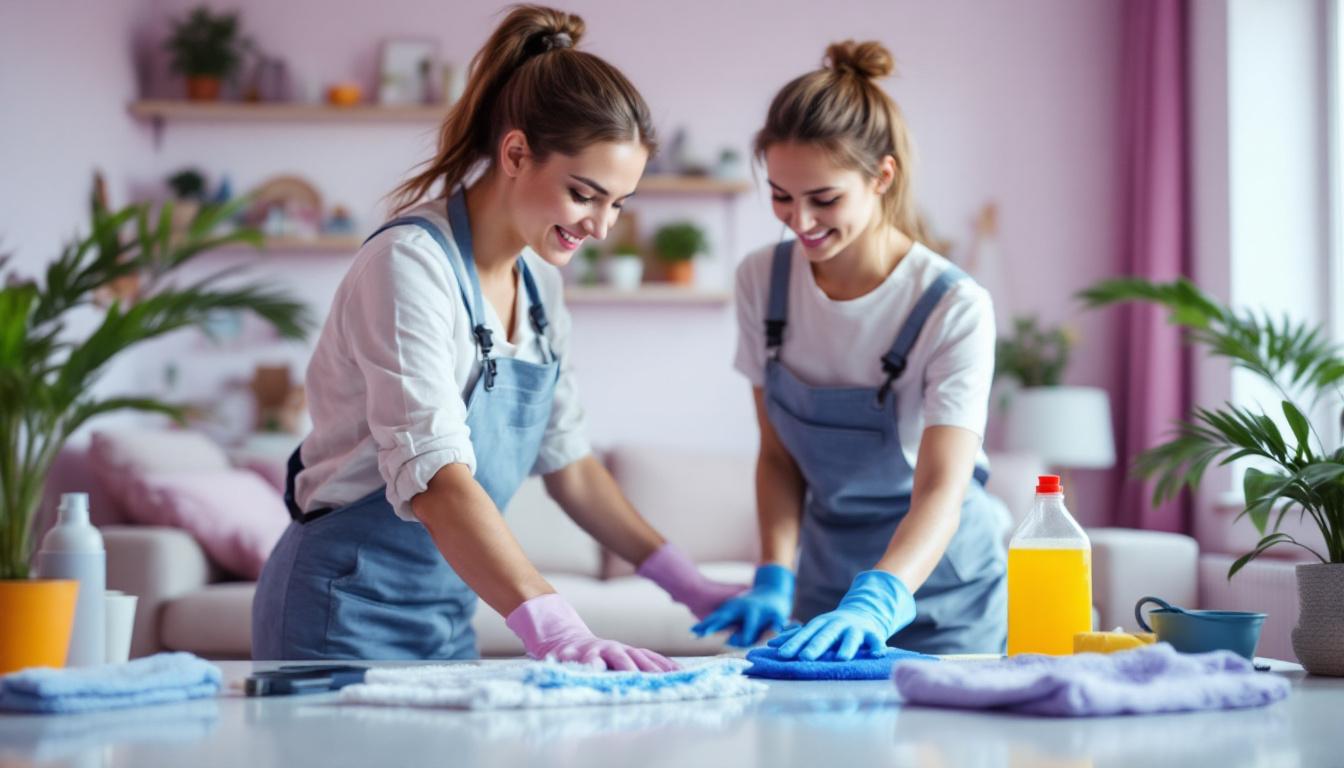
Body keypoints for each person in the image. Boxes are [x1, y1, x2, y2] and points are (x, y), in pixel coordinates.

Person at [253, 5, 741, 670]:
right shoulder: (408, 267)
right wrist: (558, 628)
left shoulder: (540, 280)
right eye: (585, 194)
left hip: (451, 614)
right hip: (343, 609)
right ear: (515, 152)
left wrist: (690, 585)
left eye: (617, 204)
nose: (601, 227)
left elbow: (571, 465)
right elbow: (435, 478)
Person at [693, 40, 1009, 659]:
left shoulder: (953, 305)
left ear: (881, 176)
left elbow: (943, 487)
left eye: (824, 198)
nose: (799, 220)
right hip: (828, 592)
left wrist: (880, 600)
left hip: (942, 593)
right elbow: (779, 459)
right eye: (781, 195)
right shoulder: (764, 281)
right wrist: (775, 576)